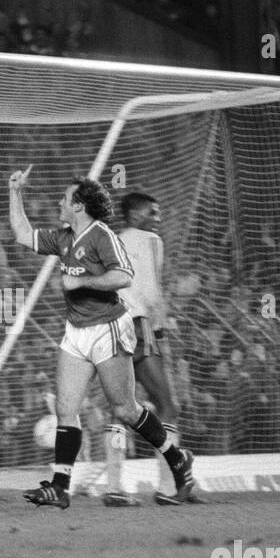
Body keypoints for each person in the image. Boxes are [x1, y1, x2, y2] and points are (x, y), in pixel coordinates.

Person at [8, 168, 200, 508]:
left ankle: (175, 459)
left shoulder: (102, 236)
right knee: (66, 408)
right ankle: (59, 487)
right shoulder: (65, 237)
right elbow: (23, 234)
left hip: (108, 329)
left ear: (79, 206)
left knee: (125, 409)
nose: (59, 202)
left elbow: (123, 275)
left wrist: (81, 282)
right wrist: (15, 193)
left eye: (65, 199)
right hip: (76, 331)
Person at [103, 191, 180, 506]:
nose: (157, 219)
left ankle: (113, 487)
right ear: (135, 215)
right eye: (153, 212)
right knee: (167, 406)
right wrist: (161, 332)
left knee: (122, 409)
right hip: (137, 326)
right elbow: (151, 291)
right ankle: (169, 487)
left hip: (108, 327)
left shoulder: (110, 241)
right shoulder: (151, 241)